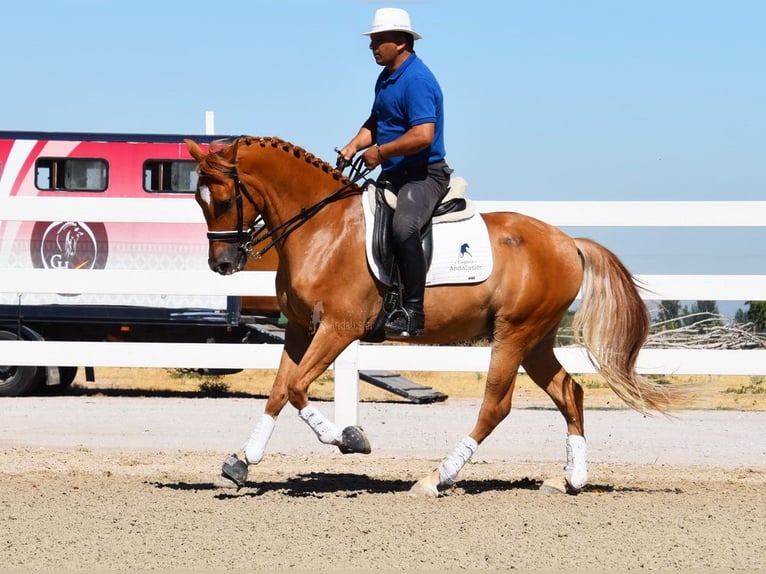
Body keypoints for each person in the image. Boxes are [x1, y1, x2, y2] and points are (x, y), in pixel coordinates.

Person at [339, 7, 452, 338]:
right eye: (372, 40)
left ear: (401, 42)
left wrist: (381, 152)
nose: (372, 46)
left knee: (404, 228)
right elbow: (377, 122)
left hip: (424, 175)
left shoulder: (417, 80)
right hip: (396, 174)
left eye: (378, 40)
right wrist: (351, 147)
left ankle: (412, 310)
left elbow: (423, 135)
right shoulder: (387, 78)